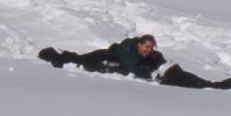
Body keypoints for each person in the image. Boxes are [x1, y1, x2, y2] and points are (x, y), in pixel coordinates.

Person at [38, 35, 166, 79]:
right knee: (78, 62)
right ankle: (51, 54)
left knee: (78, 60)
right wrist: (151, 73)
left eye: (151, 48)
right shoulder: (128, 50)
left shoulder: (145, 53)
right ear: (139, 44)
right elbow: (133, 68)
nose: (149, 50)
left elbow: (161, 62)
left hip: (107, 61)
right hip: (100, 59)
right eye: (146, 47)